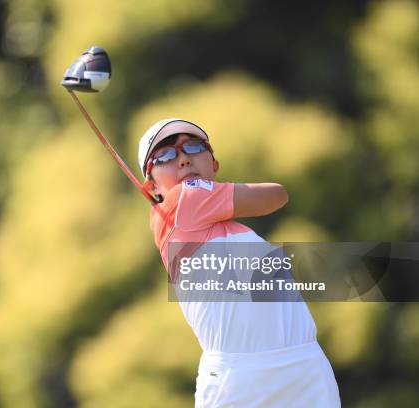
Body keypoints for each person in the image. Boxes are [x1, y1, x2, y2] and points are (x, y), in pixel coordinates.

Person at [138, 118, 341, 407]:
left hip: (304, 366)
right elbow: (276, 195)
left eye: (193, 147)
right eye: (165, 155)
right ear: (152, 187)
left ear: (214, 165)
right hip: (239, 379)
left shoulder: (244, 235)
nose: (183, 158)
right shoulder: (181, 201)